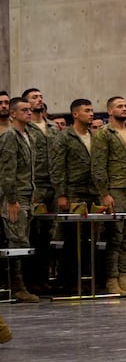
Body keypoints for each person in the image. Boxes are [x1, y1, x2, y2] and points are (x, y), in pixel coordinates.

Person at [91, 96, 126, 296]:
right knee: (116, 236)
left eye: (125, 106)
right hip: (115, 189)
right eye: (119, 106)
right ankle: (112, 279)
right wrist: (104, 193)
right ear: (110, 111)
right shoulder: (104, 133)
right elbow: (98, 166)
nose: (124, 109)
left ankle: (124, 277)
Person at [49, 98, 100, 293]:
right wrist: (61, 195)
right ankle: (69, 281)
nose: (91, 113)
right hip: (73, 193)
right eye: (87, 110)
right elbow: (57, 167)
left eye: (92, 110)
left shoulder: (95, 137)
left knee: (91, 239)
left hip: (93, 193)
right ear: (76, 114)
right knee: (72, 240)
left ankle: (88, 280)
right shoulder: (64, 137)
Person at [0, 97, 39, 302]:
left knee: (23, 240)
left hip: (26, 194)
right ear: (13, 113)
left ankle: (21, 284)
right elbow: (7, 170)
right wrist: (12, 199)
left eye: (30, 110)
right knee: (17, 241)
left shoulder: (29, 135)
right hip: (14, 197)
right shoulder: (10, 136)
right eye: (24, 110)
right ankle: (16, 286)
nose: (29, 113)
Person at [22, 88, 59, 295]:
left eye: (40, 97)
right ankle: (30, 280)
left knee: (47, 236)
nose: (39, 100)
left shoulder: (52, 127)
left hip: (52, 186)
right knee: (31, 234)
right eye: (34, 97)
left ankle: (44, 279)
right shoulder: (24, 128)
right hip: (34, 186)